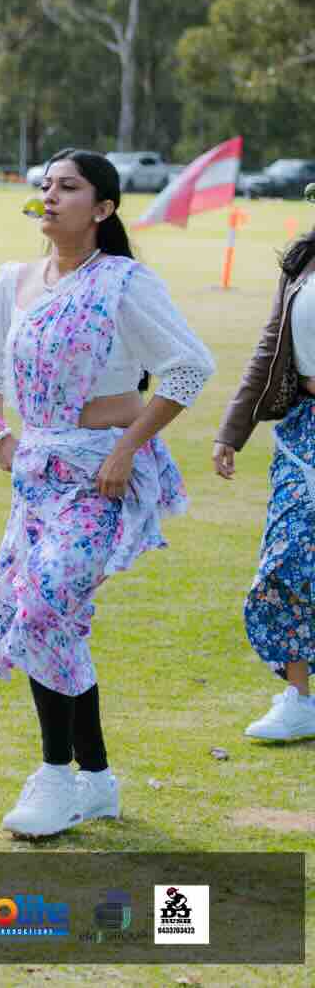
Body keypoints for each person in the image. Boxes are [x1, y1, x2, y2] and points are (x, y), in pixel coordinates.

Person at [0, 149, 213, 837]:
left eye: (67, 188)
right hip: (36, 473)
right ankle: (97, 781)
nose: (50, 197)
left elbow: (189, 368)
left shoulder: (126, 284)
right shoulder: (14, 281)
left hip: (103, 475)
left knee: (43, 609)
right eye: (45, 187)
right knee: (59, 619)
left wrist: (129, 449)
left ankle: (55, 780)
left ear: (102, 208)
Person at [212, 224, 315, 742]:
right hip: (305, 431)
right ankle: (299, 699)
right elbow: (270, 346)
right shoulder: (301, 264)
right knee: (285, 562)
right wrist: (233, 431)